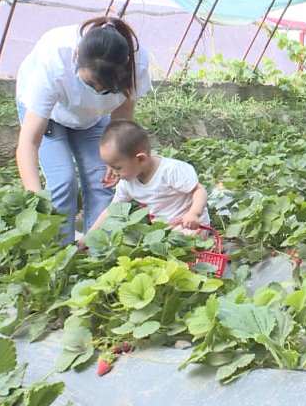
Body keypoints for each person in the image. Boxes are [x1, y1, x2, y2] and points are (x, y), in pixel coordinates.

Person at [15, 17, 152, 244]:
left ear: (126, 63)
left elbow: (122, 117)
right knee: (62, 182)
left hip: (93, 117)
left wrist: (114, 157)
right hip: (50, 113)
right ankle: (57, 255)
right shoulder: (55, 59)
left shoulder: (137, 65)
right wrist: (35, 200)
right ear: (77, 54)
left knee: (103, 180)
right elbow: (28, 144)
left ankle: (97, 252)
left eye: (105, 89)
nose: (96, 91)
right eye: (89, 84)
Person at [78, 119, 210, 251]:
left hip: (191, 226)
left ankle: (204, 247)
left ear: (140, 159)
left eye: (118, 168)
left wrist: (194, 213)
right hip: (164, 233)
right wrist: (89, 236)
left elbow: (199, 191)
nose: (114, 173)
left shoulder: (171, 171)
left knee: (184, 248)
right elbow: (111, 210)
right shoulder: (127, 183)